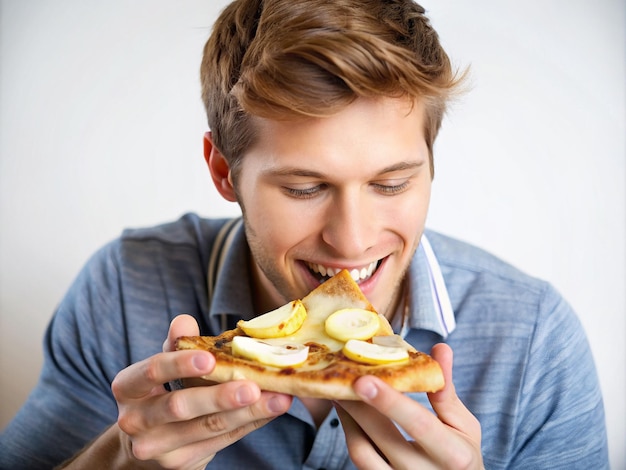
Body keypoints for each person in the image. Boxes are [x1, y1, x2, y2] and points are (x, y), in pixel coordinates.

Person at [0, 0, 609, 468]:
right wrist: (118, 462)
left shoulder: (536, 341)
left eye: (391, 184)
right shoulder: (122, 288)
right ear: (223, 172)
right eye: (304, 189)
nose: (351, 241)